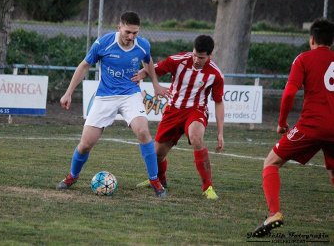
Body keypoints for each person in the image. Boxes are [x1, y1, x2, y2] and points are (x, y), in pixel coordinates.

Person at [57, 11, 169, 197]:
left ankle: (155, 180)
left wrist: (155, 84)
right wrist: (68, 92)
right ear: (119, 27)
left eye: (135, 33)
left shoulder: (143, 45)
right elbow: (84, 66)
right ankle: (72, 176)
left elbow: (148, 63)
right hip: (105, 97)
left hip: (130, 95)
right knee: (85, 144)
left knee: (143, 131)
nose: (131, 37)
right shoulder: (103, 43)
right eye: (128, 32)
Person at [252, 18, 334, 237]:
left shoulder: (304, 59)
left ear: (312, 39)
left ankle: (274, 213)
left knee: (271, 161)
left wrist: (282, 122)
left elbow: (289, 93)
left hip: (312, 125)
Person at [134, 35, 225, 200]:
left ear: (210, 55)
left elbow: (218, 102)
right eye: (195, 54)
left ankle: (208, 187)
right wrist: (140, 74)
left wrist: (220, 133)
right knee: (157, 155)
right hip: (173, 110)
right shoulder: (178, 60)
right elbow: (153, 68)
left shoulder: (216, 75)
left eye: (201, 57)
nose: (197, 59)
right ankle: (159, 180)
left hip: (196, 110)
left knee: (196, 137)